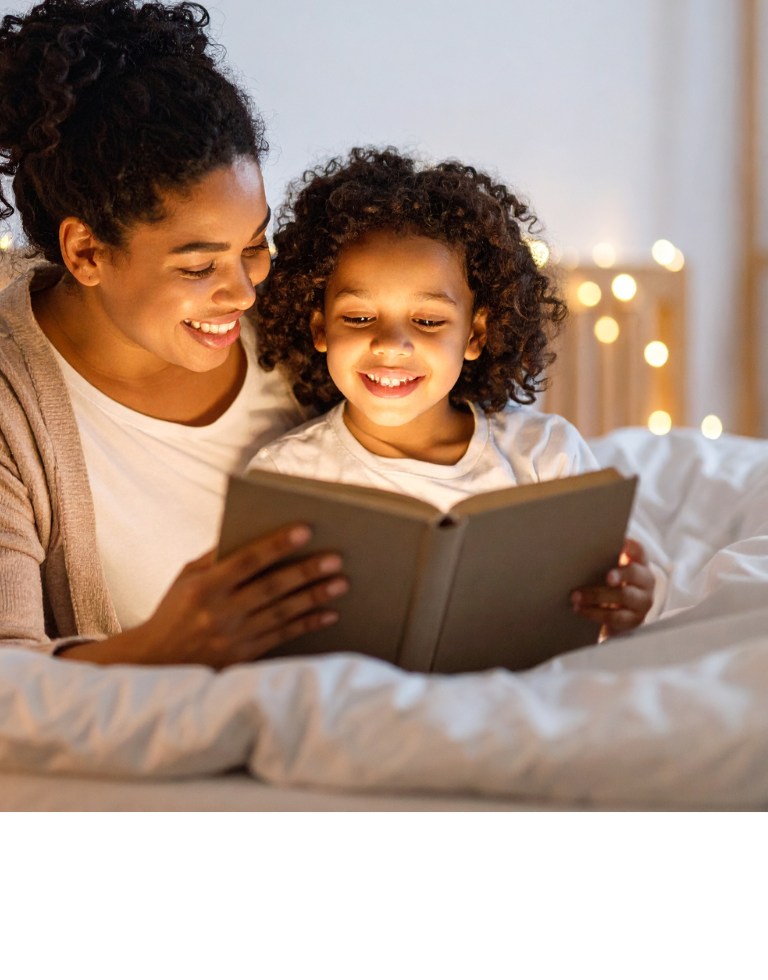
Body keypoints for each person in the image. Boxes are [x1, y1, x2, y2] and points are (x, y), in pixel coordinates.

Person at [0, 0, 347, 667]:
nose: (244, 289)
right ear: (87, 252)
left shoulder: (301, 323)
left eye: (254, 245)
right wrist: (161, 647)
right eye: (199, 265)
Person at [248, 147, 656, 636]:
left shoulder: (547, 459)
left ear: (475, 335)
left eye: (427, 321)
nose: (391, 345)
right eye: (358, 318)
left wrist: (630, 600)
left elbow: (604, 609)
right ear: (320, 329)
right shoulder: (282, 480)